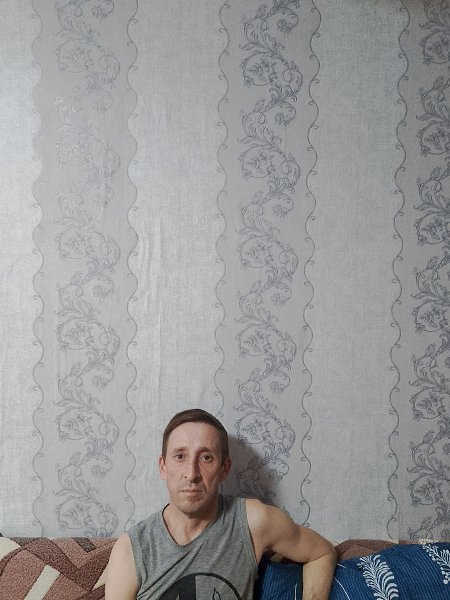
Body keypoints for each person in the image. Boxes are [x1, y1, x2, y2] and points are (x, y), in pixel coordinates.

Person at [105, 409, 336, 600]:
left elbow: (321, 553)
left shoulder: (252, 521)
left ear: (224, 468)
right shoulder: (131, 549)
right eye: (180, 456)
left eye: (206, 457)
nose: (192, 474)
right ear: (163, 466)